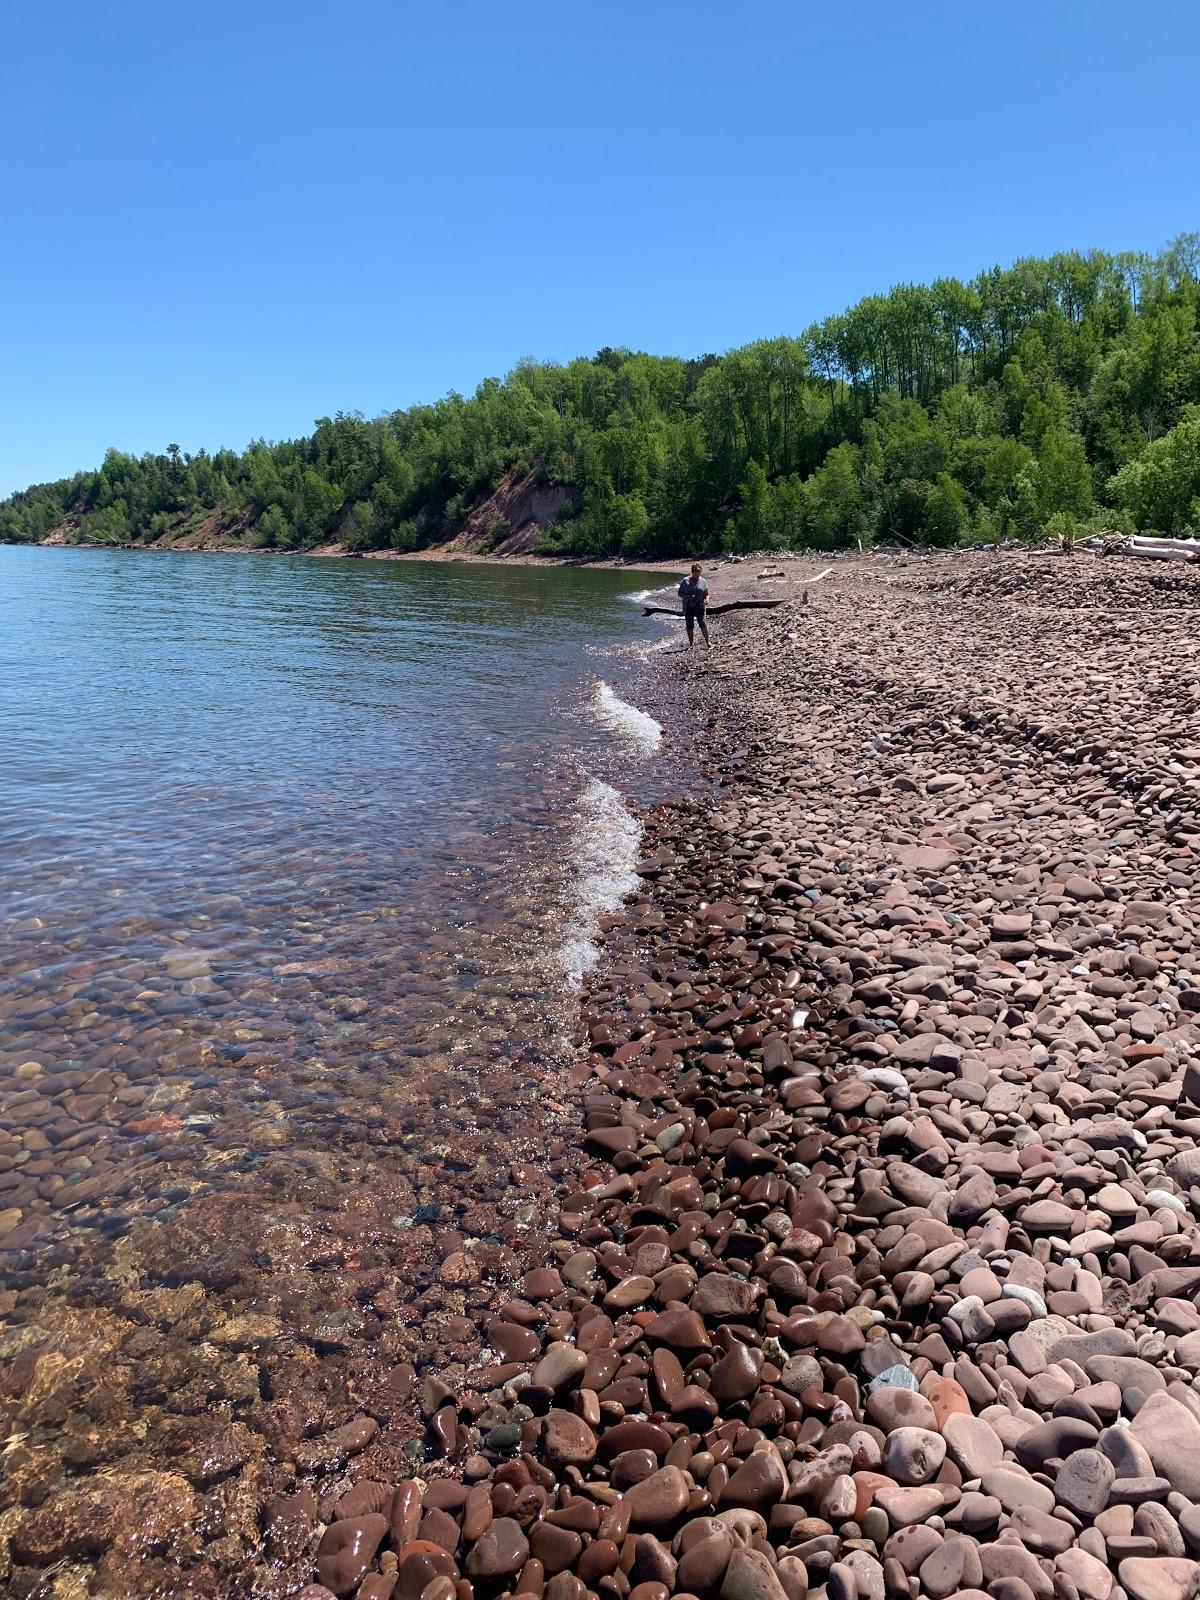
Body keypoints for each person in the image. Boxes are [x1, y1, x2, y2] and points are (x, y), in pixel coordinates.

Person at [678, 563, 710, 649]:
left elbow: (706, 594)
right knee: (689, 625)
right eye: (696, 572)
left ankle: (708, 643)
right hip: (688, 606)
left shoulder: (703, 581)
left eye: (699, 572)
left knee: (703, 623)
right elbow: (680, 593)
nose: (698, 574)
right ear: (692, 572)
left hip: (700, 606)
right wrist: (687, 597)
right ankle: (691, 644)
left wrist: (707, 599)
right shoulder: (685, 581)